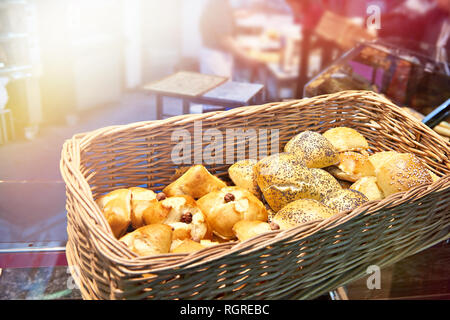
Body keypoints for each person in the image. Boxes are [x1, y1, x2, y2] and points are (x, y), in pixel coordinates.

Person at [199, 0, 260, 78]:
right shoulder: (219, 4)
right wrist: (246, 58)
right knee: (220, 88)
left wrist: (237, 15)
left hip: (218, 55)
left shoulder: (221, 4)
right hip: (216, 57)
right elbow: (225, 39)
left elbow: (222, 17)